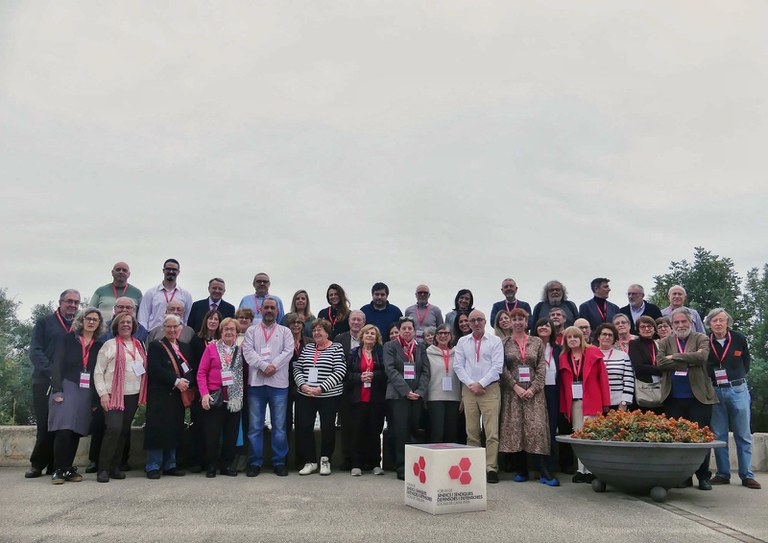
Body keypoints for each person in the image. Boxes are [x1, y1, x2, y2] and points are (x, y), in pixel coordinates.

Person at [657, 307, 716, 490]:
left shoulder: (701, 338)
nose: (680, 325)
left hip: (698, 398)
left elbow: (702, 357)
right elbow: (660, 362)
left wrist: (674, 356)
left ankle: (703, 476)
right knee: (678, 439)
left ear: (691, 322)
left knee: (700, 439)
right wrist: (689, 359)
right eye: (676, 322)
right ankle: (683, 477)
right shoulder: (666, 341)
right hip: (673, 398)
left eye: (684, 322)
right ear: (672, 325)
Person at [88, 295, 147, 474]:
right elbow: (98, 372)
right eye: (122, 322)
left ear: (133, 325)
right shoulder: (108, 345)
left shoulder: (139, 345)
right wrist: (103, 394)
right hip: (113, 395)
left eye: (129, 322)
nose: (126, 325)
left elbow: (142, 369)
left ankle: (115, 466)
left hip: (133, 395)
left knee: (123, 431)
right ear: (116, 325)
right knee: (113, 429)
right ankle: (103, 469)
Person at [26, 289, 81, 479]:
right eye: (69, 301)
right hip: (45, 380)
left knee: (63, 424)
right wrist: (52, 372)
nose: (72, 305)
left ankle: (56, 466)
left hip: (68, 384)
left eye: (76, 302)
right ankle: (37, 464)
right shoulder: (44, 323)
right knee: (45, 423)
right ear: (60, 302)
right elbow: (35, 352)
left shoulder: (77, 327)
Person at [498, 309, 557, 486]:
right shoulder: (504, 342)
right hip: (512, 393)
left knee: (537, 428)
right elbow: (502, 367)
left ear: (526, 321)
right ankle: (521, 469)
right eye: (514, 319)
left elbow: (541, 367)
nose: (517, 322)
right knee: (516, 429)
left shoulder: (536, 342)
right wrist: (515, 387)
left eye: (521, 319)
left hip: (534, 394)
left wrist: (533, 388)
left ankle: (544, 471)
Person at [48, 308, 105, 484]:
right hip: (67, 385)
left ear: (99, 324)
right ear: (81, 320)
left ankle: (68, 468)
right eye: (88, 318)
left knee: (76, 431)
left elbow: (99, 372)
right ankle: (58, 469)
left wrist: (96, 400)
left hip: (86, 390)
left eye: (95, 320)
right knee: (64, 428)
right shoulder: (68, 339)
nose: (91, 322)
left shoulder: (98, 345)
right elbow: (56, 364)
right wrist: (57, 389)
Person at [705, 308, 760, 490]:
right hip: (716, 391)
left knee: (743, 434)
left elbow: (746, 362)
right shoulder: (706, 341)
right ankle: (722, 473)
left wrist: (736, 377)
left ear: (727, 322)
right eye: (715, 321)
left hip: (737, 389)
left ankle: (746, 475)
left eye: (722, 320)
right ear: (710, 324)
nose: (718, 324)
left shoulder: (739, 338)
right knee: (719, 434)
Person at [241, 297, 293, 477]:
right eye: (266, 307)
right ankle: (255, 462)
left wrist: (273, 366)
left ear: (277, 311)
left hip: (279, 385)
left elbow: (288, 352)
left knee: (279, 426)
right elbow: (248, 351)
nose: (269, 310)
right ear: (260, 310)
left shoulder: (285, 331)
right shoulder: (251, 331)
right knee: (255, 426)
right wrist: (264, 366)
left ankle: (279, 462)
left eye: (273, 308)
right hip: (257, 384)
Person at [454, 310, 503, 483]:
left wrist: (481, 384)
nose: (476, 323)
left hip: (489, 389)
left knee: (491, 432)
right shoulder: (462, 342)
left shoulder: (495, 341)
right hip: (469, 390)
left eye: (479, 320)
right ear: (468, 323)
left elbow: (497, 367)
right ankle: (473, 467)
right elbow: (458, 366)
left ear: (484, 322)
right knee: (472, 432)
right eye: (472, 320)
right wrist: (472, 385)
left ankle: (490, 468)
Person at [294, 319, 347, 476]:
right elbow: (297, 368)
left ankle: (325, 459)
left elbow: (340, 371)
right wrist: (302, 385)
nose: (316, 333)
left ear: (327, 332)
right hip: (306, 395)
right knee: (304, 428)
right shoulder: (308, 348)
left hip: (328, 396)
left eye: (320, 330)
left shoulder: (336, 348)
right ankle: (310, 461)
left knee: (328, 428)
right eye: (314, 330)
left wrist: (321, 388)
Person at [558, 326, 610, 483]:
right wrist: (563, 407)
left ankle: (592, 471)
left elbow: (603, 379)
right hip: (574, 403)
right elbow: (562, 386)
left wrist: (606, 402)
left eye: (576, 336)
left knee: (592, 438)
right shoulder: (563, 358)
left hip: (592, 400)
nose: (573, 339)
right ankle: (581, 470)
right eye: (569, 337)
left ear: (581, 338)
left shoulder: (594, 353)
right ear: (566, 341)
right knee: (579, 437)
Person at [144, 314, 192, 479]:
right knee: (157, 429)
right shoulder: (156, 346)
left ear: (180, 328)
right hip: (161, 394)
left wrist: (186, 382)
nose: (172, 330)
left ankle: (171, 464)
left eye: (175, 326)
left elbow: (190, 368)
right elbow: (155, 369)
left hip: (178, 395)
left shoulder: (185, 347)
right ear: (163, 328)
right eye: (169, 327)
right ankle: (153, 465)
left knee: (175, 428)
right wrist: (176, 380)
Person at [198, 317, 245, 478]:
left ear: (237, 332)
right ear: (221, 331)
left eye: (232, 329)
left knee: (231, 435)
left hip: (234, 399)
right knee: (212, 434)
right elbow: (201, 373)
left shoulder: (241, 351)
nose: (229, 332)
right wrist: (204, 394)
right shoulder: (211, 349)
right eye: (226, 329)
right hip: (214, 397)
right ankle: (211, 465)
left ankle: (226, 464)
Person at [383, 317, 429, 480]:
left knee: (414, 429)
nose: (407, 331)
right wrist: (406, 391)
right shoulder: (390, 346)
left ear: (414, 331)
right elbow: (390, 370)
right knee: (400, 431)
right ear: (400, 331)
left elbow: (425, 371)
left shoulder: (420, 347)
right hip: (398, 395)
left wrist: (420, 391)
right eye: (404, 328)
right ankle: (401, 466)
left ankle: (415, 465)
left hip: (417, 395)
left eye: (410, 328)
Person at [346, 324, 387, 475]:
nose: (370, 336)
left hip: (376, 398)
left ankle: (375, 463)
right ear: (362, 336)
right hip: (358, 398)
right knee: (357, 431)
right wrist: (359, 377)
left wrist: (374, 376)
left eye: (373, 334)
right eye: (367, 333)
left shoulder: (381, 353)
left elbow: (386, 372)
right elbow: (347, 374)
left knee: (375, 432)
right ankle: (356, 464)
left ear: (377, 338)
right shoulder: (354, 352)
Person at [187, 309, 223, 472]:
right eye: (210, 318)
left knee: (213, 429)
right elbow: (193, 365)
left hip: (218, 391)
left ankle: (212, 461)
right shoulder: (197, 340)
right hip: (199, 389)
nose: (213, 321)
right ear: (205, 321)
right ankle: (196, 461)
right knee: (198, 426)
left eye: (216, 319)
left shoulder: (222, 342)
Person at [334, 309, 366, 471]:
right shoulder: (340, 339)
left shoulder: (368, 338)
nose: (356, 322)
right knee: (346, 425)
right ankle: (347, 459)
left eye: (359, 320)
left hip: (365, 388)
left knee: (361, 425)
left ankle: (361, 460)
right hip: (345, 387)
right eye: (353, 319)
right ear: (348, 322)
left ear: (364, 322)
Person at [531, 318, 562, 474]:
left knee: (551, 427)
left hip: (553, 391)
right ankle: (537, 465)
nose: (543, 327)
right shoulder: (531, 348)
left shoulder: (558, 349)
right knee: (537, 428)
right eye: (540, 325)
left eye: (547, 325)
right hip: (536, 391)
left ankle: (551, 465)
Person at [284, 312, 313, 469]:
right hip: (285, 385)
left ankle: (301, 460)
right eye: (293, 323)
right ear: (288, 326)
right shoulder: (282, 342)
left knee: (303, 424)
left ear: (303, 326)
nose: (296, 325)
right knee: (285, 423)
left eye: (299, 323)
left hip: (304, 386)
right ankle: (285, 459)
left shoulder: (309, 343)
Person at [425, 324, 461, 443]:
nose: (443, 336)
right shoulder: (428, 353)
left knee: (451, 433)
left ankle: (450, 461)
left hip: (454, 397)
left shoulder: (458, 354)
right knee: (437, 432)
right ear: (435, 336)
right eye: (440, 333)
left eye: (446, 333)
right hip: (435, 397)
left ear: (451, 336)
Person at [137, 259, 193, 330]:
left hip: (177, 334)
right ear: (163, 271)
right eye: (168, 269)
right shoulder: (151, 293)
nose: (171, 271)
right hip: (155, 333)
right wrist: (144, 334)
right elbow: (143, 317)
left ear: (178, 272)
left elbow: (187, 318)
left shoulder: (185, 295)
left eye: (174, 269)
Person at [594, 323, 634, 411]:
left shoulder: (623, 355)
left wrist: (624, 402)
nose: (607, 337)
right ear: (598, 337)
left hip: (619, 404)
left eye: (610, 335)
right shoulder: (591, 355)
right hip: (596, 403)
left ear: (614, 339)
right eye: (604, 334)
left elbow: (629, 380)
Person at [629, 316, 663, 412]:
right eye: (643, 327)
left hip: (659, 387)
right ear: (638, 330)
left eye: (650, 326)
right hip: (643, 388)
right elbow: (639, 367)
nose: (647, 329)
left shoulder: (658, 344)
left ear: (654, 329)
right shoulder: (634, 344)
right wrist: (661, 369)